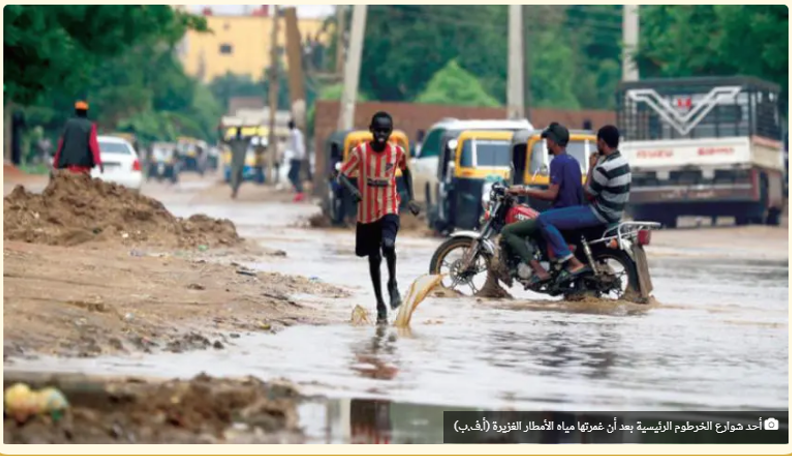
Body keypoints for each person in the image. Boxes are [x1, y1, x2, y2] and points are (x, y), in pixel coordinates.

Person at [337, 111, 420, 324]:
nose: (381, 134)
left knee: (389, 244)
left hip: (389, 206)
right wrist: (353, 191)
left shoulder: (397, 152)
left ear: (390, 132)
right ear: (371, 130)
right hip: (366, 213)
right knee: (373, 258)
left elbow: (406, 171)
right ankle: (380, 303)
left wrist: (411, 198)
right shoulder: (360, 153)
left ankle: (392, 283)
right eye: (378, 130)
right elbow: (342, 175)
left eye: (386, 131)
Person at [536, 125, 631, 283]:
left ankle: (572, 262)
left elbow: (587, 193)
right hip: (614, 214)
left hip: (598, 214)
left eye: (597, 142)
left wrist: (592, 166)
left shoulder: (604, 168)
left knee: (543, 219)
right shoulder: (623, 163)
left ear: (601, 142)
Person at [499, 122, 584, 286]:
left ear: (553, 141)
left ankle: (539, 270)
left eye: (547, 140)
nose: (546, 144)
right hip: (571, 214)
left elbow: (552, 194)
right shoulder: (573, 161)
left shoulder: (557, 162)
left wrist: (524, 191)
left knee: (508, 231)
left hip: (560, 216)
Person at [52, 101, 103, 175]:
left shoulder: (68, 124)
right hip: (84, 165)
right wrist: (99, 162)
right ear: (86, 112)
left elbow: (61, 144)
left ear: (76, 111)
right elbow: (93, 145)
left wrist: (55, 163)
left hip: (69, 164)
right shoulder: (91, 126)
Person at [226, 127, 250, 198]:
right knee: (234, 178)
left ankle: (235, 190)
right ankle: (234, 190)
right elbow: (223, 140)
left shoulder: (244, 142)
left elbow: (250, 138)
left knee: (239, 178)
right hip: (234, 163)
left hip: (241, 163)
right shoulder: (233, 142)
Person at [286, 119, 306, 202]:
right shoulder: (297, 133)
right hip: (297, 156)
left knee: (292, 175)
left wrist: (295, 155)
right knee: (294, 175)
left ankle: (299, 192)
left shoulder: (294, 133)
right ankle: (298, 191)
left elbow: (296, 146)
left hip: (296, 157)